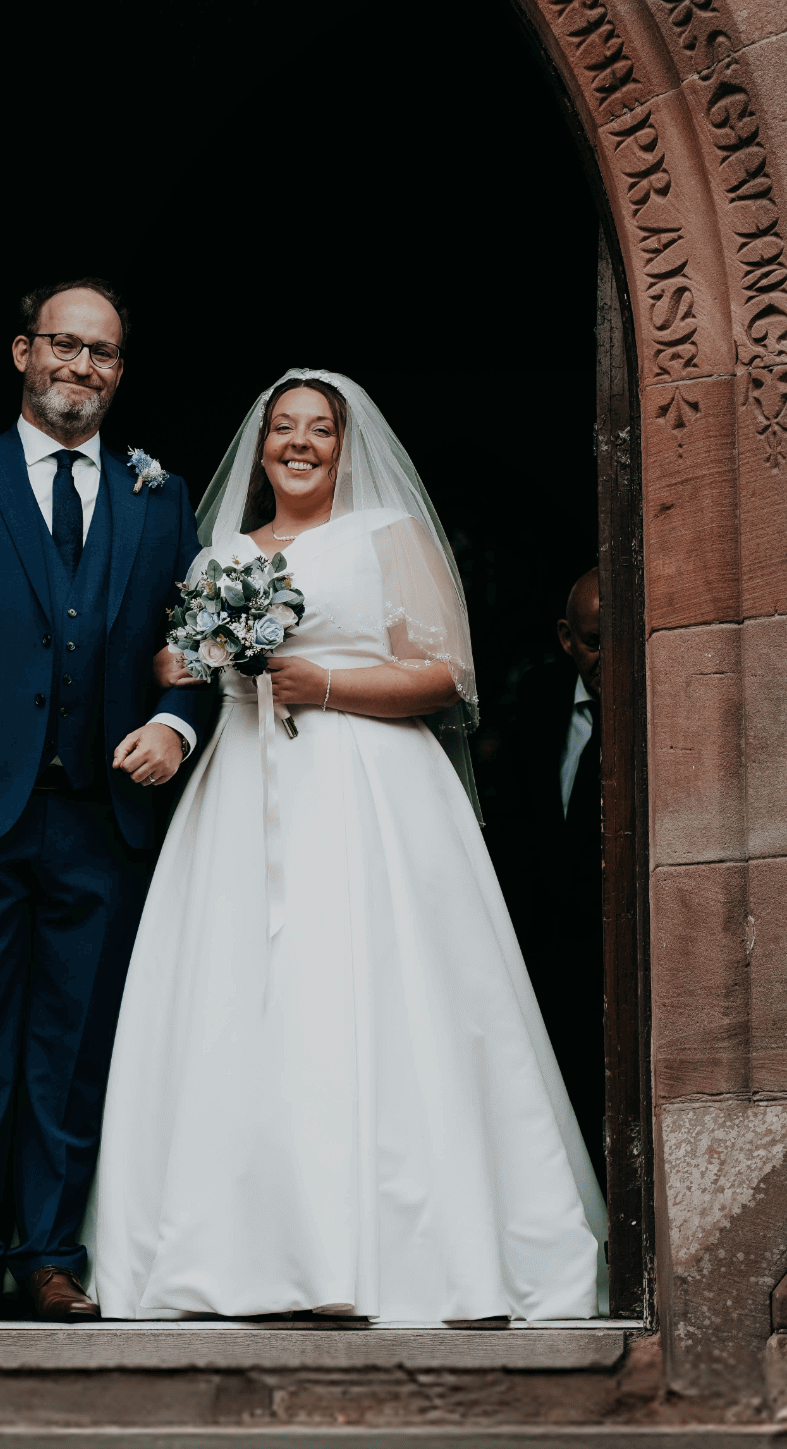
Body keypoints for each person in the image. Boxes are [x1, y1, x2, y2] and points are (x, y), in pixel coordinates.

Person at [87, 370, 607, 1324]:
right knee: (239, 997)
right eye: (283, 427)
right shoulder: (221, 556)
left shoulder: (386, 540)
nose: (299, 443)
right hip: (243, 791)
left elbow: (447, 676)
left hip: (372, 789)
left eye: (318, 430)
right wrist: (190, 665)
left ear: (344, 445)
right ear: (260, 444)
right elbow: (179, 663)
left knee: (372, 993)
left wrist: (318, 680)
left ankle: (400, 1249)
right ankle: (245, 1247)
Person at [0, 279, 211, 1325]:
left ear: (120, 370)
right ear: (22, 352)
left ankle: (51, 1255)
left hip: (101, 819)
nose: (81, 367)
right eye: (63, 345)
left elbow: (196, 634)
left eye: (103, 352)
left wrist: (177, 723)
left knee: (74, 1047)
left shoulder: (159, 495)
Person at [480, 564, 607, 1164]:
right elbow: (514, 822)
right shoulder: (537, 699)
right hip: (543, 948)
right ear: (565, 637)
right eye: (593, 642)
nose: (609, 658)